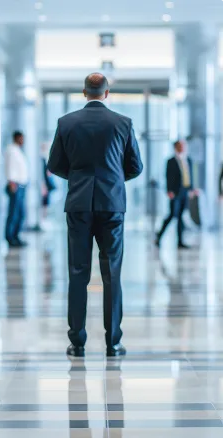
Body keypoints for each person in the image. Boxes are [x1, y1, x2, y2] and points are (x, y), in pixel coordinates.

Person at [47, 73, 143, 358]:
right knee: (111, 274)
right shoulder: (123, 123)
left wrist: (77, 179)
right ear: (107, 93)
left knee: (78, 273)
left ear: (84, 92)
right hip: (112, 205)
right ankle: (113, 342)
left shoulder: (66, 123)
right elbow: (135, 166)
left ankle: (77, 342)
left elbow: (54, 164)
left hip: (78, 204)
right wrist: (113, 180)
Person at [155, 140, 195, 249]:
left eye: (184, 145)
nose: (183, 148)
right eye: (180, 146)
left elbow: (190, 176)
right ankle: (159, 236)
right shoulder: (171, 161)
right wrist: (169, 190)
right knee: (173, 215)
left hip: (185, 192)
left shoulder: (188, 160)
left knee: (181, 216)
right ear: (176, 147)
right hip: (175, 193)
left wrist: (191, 189)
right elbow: (168, 176)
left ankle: (180, 242)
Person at [4, 131, 28, 248]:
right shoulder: (11, 150)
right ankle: (10, 237)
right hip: (15, 185)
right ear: (17, 138)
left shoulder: (18, 150)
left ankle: (16, 236)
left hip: (21, 185)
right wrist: (11, 182)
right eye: (21, 138)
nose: (23, 141)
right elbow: (10, 167)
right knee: (13, 213)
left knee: (20, 213)